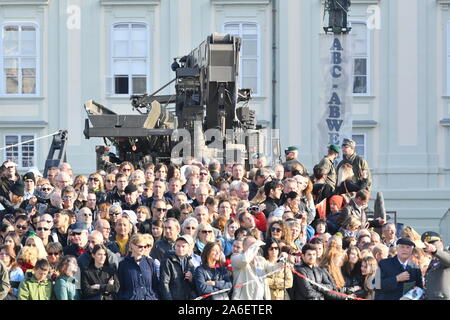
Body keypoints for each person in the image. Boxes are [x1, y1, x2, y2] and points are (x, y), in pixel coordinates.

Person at [231, 236, 287, 300]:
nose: (256, 247)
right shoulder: (235, 257)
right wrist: (254, 246)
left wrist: (282, 261)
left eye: (256, 246)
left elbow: (272, 269)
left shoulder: (260, 260)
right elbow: (245, 260)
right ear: (244, 247)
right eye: (252, 245)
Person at [117, 233, 160, 300]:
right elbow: (121, 287)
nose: (143, 249)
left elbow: (155, 285)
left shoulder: (150, 263)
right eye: (140, 246)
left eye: (145, 246)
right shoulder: (123, 264)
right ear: (132, 245)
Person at [159, 234, 197, 300]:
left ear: (188, 248)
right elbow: (164, 284)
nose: (180, 249)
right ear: (175, 247)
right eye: (178, 246)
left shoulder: (189, 262)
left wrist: (191, 279)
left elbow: (194, 285)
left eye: (183, 246)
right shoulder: (167, 261)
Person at [421, 231, 450, 300]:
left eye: (433, 243)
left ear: (441, 242)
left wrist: (435, 251)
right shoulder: (434, 260)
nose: (429, 247)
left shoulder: (446, 254)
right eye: (427, 245)